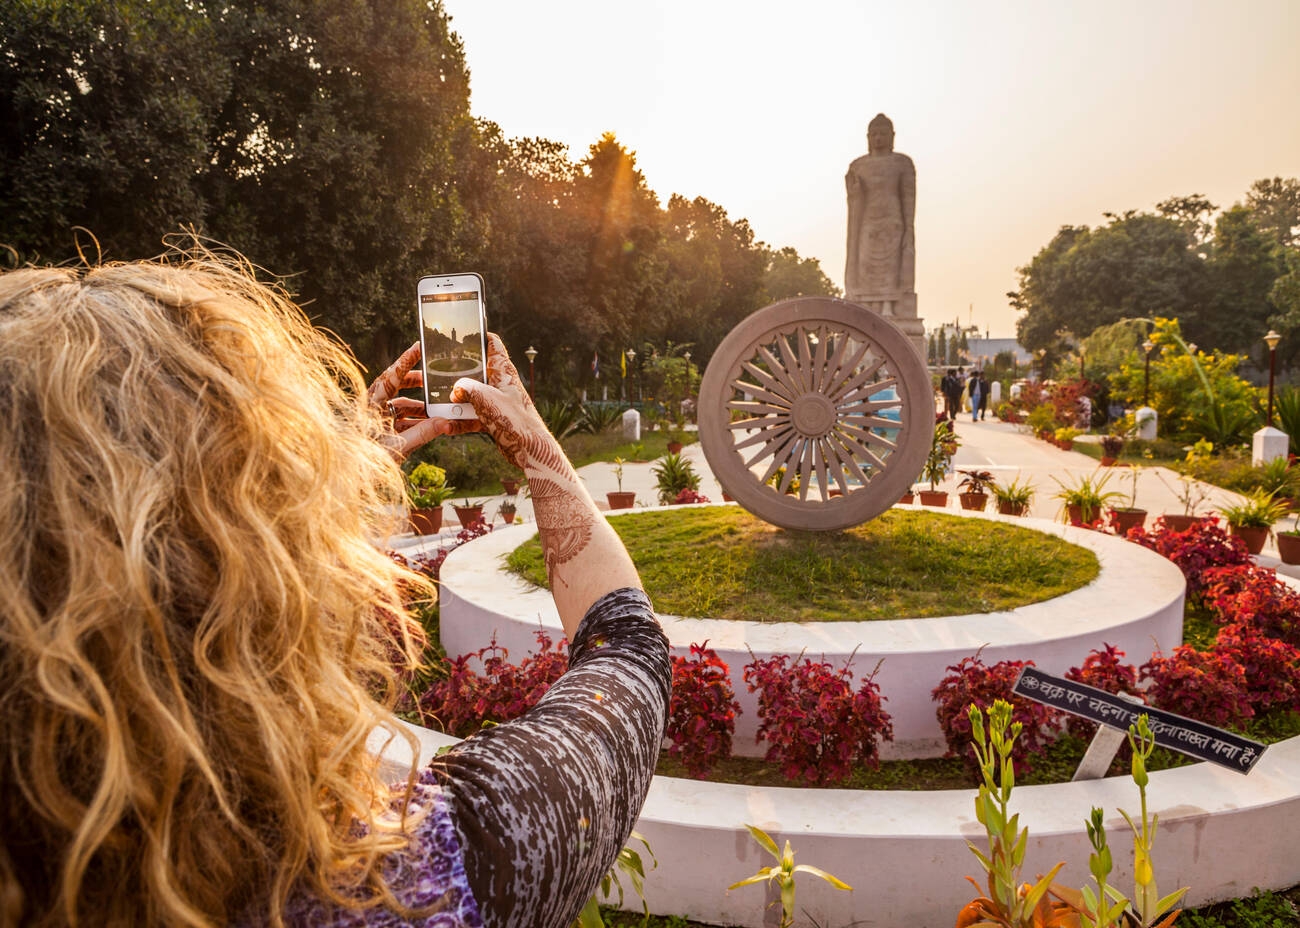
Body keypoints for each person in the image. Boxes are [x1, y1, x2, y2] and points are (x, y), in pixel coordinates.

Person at [0, 247, 670, 928]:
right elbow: (631, 655)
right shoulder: (424, 878)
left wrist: (324, 480)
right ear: (279, 579)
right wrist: (539, 454)